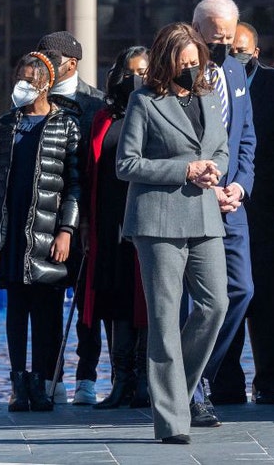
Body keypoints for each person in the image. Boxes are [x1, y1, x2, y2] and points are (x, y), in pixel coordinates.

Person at [116, 22, 231, 444]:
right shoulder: (143, 102)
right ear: (167, 62)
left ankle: (173, 392)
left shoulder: (205, 96)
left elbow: (219, 147)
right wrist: (184, 169)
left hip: (204, 216)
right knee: (164, 319)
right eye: (183, 63)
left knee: (215, 304)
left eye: (195, 62)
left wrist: (214, 169)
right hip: (158, 221)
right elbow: (126, 164)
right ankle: (171, 421)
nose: (190, 68)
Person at [0, 51, 81, 412]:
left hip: (47, 233)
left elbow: (75, 185)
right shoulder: (5, 125)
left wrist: (67, 230)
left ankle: (43, 382)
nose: (23, 84)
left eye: (30, 79)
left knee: (47, 309)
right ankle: (18, 382)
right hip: (11, 230)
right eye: (20, 77)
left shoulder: (66, 124)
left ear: (47, 83)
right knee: (16, 307)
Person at [211, 23, 274, 405]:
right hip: (222, 208)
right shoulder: (206, 85)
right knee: (227, 296)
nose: (235, 54)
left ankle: (271, 382)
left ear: (257, 50)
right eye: (229, 48)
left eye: (242, 49)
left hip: (269, 212)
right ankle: (224, 382)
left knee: (267, 301)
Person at [186, 0, 256, 426]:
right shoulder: (181, 71)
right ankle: (190, 392)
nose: (226, 46)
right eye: (217, 38)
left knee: (241, 290)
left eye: (231, 38)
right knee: (191, 301)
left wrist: (240, 187)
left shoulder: (235, 70)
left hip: (233, 205)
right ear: (196, 29)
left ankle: (195, 374)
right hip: (193, 201)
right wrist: (208, 186)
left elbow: (246, 137)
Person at [37, 30, 107, 405]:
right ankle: (50, 376)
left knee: (87, 307)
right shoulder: (34, 99)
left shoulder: (96, 103)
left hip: (84, 221)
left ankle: (87, 377)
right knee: (45, 304)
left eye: (52, 58)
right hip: (43, 220)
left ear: (71, 63)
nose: (45, 64)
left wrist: (80, 223)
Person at [82, 46, 151, 410]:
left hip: (145, 220)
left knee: (145, 301)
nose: (135, 79)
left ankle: (143, 381)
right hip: (108, 223)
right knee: (116, 301)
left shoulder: (158, 111)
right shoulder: (104, 118)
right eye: (130, 72)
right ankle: (121, 380)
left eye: (143, 71)